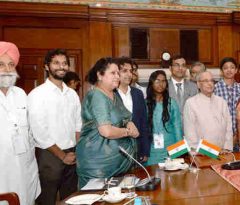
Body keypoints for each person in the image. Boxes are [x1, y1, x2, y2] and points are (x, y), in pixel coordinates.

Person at [28, 49, 81, 204]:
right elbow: (39, 131)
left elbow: (78, 124)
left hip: (72, 154)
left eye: (64, 63)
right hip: (49, 155)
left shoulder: (72, 94)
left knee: (71, 199)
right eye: (56, 63)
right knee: (47, 200)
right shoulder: (37, 94)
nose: (61, 67)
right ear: (46, 67)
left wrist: (74, 151)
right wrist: (62, 155)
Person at [76, 57, 139, 188]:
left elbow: (125, 117)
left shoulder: (114, 95)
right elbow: (106, 131)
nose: (117, 76)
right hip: (98, 166)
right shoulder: (97, 96)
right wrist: (128, 132)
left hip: (116, 164)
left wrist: (129, 124)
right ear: (100, 75)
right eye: (113, 73)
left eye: (118, 73)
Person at [0, 41, 41, 205]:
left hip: (25, 167)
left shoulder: (21, 94)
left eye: (11, 64)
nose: (7, 70)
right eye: (1, 64)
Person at [183, 71, 233, 151]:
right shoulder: (191, 103)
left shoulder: (221, 102)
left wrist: (227, 148)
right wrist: (202, 151)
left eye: (212, 81)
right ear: (198, 84)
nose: (210, 84)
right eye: (206, 81)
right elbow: (190, 132)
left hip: (223, 152)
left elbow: (228, 127)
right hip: (202, 153)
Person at [116, 57, 151, 162]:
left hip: (137, 147)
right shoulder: (111, 94)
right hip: (117, 149)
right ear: (116, 73)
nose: (129, 74)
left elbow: (144, 122)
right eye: (124, 71)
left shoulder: (138, 93)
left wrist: (145, 150)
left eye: (131, 71)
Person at [145, 70, 183, 165]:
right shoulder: (144, 104)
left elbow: (177, 127)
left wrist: (180, 151)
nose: (160, 84)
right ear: (151, 83)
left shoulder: (172, 103)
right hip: (151, 149)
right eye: (157, 81)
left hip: (170, 147)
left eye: (163, 81)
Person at [214, 57, 240, 150]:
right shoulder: (215, 88)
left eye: (232, 67)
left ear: (236, 70)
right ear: (221, 71)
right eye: (225, 68)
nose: (229, 70)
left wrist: (237, 135)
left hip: (238, 135)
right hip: (219, 135)